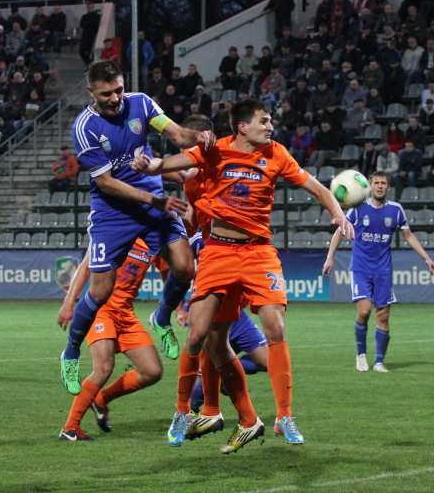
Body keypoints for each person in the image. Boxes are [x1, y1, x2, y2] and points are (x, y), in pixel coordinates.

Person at [133, 99, 354, 453]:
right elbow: (177, 164)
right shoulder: (216, 151)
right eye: (264, 121)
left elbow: (317, 188)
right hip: (217, 252)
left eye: (270, 121)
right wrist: (151, 164)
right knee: (200, 336)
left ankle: (284, 417)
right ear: (242, 127)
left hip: (258, 253)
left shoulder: (277, 154)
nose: (270, 126)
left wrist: (339, 215)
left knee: (276, 327)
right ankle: (182, 413)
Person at [60, 60, 213, 394]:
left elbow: (175, 133)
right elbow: (107, 184)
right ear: (91, 93)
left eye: (118, 89)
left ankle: (161, 317)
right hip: (113, 212)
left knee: (185, 267)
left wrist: (196, 137)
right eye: (106, 94)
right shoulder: (84, 127)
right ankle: (70, 351)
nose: (115, 98)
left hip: (152, 200)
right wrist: (153, 200)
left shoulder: (141, 103)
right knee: (100, 292)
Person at [322, 172, 434, 372]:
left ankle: (379, 362)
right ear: (370, 186)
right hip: (361, 268)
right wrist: (330, 257)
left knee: (383, 316)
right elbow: (340, 231)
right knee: (365, 311)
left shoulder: (396, 210)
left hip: (383, 270)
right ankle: (361, 355)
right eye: (376, 183)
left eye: (383, 183)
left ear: (388, 187)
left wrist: (426, 258)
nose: (380, 186)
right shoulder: (359, 209)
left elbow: (408, 235)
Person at [55, 239, 164, 441]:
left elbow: (170, 270)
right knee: (104, 367)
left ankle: (102, 398)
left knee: (152, 371)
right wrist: (69, 301)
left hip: (126, 315)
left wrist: (179, 307)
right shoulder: (116, 228)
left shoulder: (154, 236)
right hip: (101, 310)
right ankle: (70, 428)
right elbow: (86, 265)